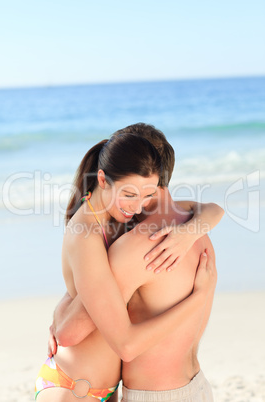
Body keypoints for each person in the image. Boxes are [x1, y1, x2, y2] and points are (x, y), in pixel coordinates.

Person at [38, 126, 222, 401]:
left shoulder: (134, 230)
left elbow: (210, 208)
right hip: (77, 385)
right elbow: (70, 329)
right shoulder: (185, 226)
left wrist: (190, 231)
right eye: (130, 194)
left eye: (144, 195)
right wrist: (200, 295)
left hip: (124, 389)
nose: (136, 206)